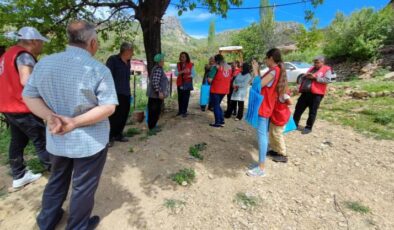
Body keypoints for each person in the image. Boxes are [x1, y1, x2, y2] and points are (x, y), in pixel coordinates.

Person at [22, 21, 118, 229]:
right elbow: (109, 106)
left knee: (57, 179)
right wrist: (74, 122)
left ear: (70, 38)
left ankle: (47, 220)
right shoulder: (98, 69)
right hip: (89, 142)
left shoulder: (44, 63)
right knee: (83, 187)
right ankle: (77, 226)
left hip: (57, 137)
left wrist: (50, 117)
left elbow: (29, 96)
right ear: (92, 42)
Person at [0, 26, 51, 189]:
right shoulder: (24, 56)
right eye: (41, 42)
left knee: (18, 140)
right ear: (33, 41)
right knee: (41, 139)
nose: (42, 46)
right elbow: (26, 81)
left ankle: (19, 174)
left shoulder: (7, 54)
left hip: (8, 106)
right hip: (23, 107)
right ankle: (56, 170)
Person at [247, 48, 283, 177]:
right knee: (263, 134)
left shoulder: (274, 71)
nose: (265, 61)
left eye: (266, 58)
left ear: (271, 58)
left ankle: (261, 168)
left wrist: (256, 70)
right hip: (266, 105)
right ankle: (259, 164)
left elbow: (258, 86)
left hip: (264, 106)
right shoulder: (275, 70)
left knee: (262, 135)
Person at [293, 56, 332, 134]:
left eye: (317, 62)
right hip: (305, 93)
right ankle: (294, 124)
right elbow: (305, 78)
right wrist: (305, 77)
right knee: (298, 109)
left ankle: (308, 127)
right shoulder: (311, 69)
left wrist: (315, 77)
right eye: (314, 62)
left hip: (316, 94)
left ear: (322, 62)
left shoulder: (327, 69)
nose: (315, 64)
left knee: (312, 111)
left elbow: (327, 80)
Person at [106, 42, 134, 147]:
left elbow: (126, 78)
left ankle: (118, 135)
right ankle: (109, 137)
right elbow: (107, 76)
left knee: (123, 115)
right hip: (115, 93)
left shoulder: (129, 62)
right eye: (131, 51)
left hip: (126, 93)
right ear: (126, 51)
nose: (132, 54)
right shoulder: (113, 60)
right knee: (113, 116)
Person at [268, 82, 292, 163]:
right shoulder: (276, 92)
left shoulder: (283, 94)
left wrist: (283, 104)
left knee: (278, 135)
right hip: (275, 116)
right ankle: (275, 150)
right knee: (272, 133)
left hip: (280, 117)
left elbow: (290, 102)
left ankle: (282, 154)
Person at [207, 54, 232, 127]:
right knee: (217, 105)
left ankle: (218, 122)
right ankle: (221, 121)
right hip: (225, 90)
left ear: (216, 60)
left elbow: (209, 80)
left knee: (215, 106)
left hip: (216, 89)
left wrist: (209, 77)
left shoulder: (215, 68)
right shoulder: (229, 67)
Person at [147, 53, 169, 130]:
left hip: (154, 95)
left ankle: (152, 126)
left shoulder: (157, 68)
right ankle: (152, 127)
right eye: (163, 60)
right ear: (159, 61)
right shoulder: (158, 69)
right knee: (154, 111)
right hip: (155, 95)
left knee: (154, 111)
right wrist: (159, 92)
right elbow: (155, 82)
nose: (163, 62)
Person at [175, 52, 195, 117]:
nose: (182, 58)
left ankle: (184, 111)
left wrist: (188, 76)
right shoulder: (178, 64)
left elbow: (193, 74)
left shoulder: (191, 64)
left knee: (186, 98)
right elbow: (175, 73)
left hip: (187, 83)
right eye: (181, 56)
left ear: (187, 58)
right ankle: (180, 111)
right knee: (180, 98)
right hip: (180, 83)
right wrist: (182, 71)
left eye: (184, 57)